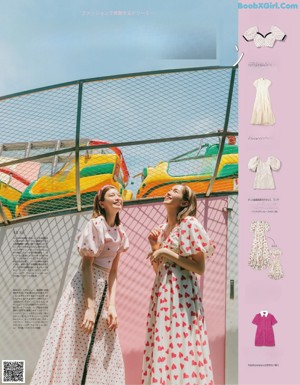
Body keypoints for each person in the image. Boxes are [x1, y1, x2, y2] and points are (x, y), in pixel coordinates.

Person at [30, 185, 129, 385]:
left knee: (101, 345)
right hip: (85, 287)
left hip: (103, 292)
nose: (117, 197)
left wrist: (111, 306)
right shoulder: (95, 225)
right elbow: (86, 267)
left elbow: (114, 272)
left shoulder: (121, 234)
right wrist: (89, 308)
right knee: (74, 339)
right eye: (112, 195)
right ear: (102, 203)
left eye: (118, 195)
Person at [141, 184, 215, 385]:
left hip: (183, 294)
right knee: (166, 342)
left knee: (183, 341)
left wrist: (166, 252)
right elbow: (159, 271)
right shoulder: (164, 229)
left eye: (175, 191)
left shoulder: (190, 223)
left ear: (183, 202)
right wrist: (155, 246)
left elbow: (199, 268)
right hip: (163, 293)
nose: (169, 192)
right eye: (169, 190)